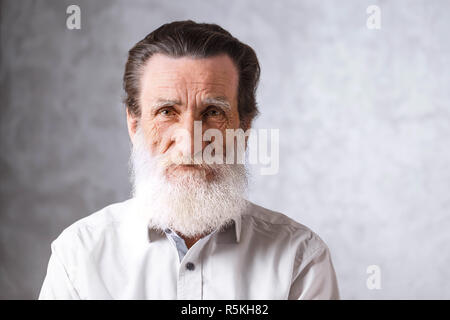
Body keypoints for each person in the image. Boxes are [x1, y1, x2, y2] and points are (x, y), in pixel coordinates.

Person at [39, 20, 340, 300]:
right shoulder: (79, 255)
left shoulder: (300, 258)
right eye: (167, 111)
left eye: (212, 113)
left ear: (244, 127)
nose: (190, 142)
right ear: (134, 124)